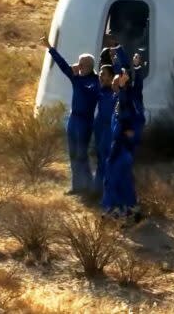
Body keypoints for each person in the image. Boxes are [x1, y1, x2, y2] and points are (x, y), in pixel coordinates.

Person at [41, 36, 99, 194]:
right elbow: (62, 65)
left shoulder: (95, 81)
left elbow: (90, 91)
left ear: (87, 65)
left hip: (85, 121)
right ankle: (76, 186)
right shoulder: (77, 78)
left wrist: (78, 77)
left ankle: (88, 185)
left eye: (81, 64)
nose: (78, 66)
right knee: (73, 152)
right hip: (74, 119)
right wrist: (50, 48)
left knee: (82, 153)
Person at [101, 69, 142, 223]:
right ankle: (131, 208)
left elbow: (125, 106)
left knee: (113, 179)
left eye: (115, 83)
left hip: (120, 148)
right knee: (124, 180)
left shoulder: (124, 103)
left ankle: (116, 211)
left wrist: (124, 86)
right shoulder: (120, 102)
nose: (112, 84)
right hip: (122, 148)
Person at [93, 64, 116, 195]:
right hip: (99, 127)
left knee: (107, 158)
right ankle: (97, 189)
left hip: (109, 128)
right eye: (100, 73)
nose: (100, 76)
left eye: (104, 74)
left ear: (112, 77)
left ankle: (106, 190)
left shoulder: (115, 93)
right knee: (100, 158)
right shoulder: (100, 91)